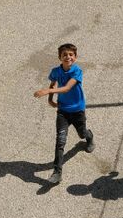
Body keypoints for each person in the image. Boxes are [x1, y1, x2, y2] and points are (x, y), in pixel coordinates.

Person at [34, 43, 95, 183]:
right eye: (64, 55)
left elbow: (67, 88)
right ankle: (57, 172)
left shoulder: (77, 71)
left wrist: (48, 92)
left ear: (75, 57)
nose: (68, 57)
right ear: (59, 57)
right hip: (63, 111)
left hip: (78, 110)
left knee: (82, 134)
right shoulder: (55, 71)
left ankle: (89, 136)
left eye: (71, 55)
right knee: (60, 141)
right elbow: (53, 83)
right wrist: (50, 99)